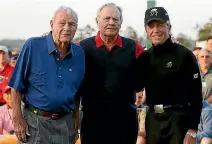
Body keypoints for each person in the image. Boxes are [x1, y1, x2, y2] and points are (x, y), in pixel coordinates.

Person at [8, 6, 85, 144]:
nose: (67, 28)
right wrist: (18, 120)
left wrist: (75, 122)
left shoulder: (79, 54)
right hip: (34, 123)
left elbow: (76, 94)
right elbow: (15, 87)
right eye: (62, 23)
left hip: (64, 124)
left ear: (76, 28)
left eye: (72, 24)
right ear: (51, 24)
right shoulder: (33, 46)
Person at [78, 3, 145, 144]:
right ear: (98, 21)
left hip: (125, 120)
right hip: (92, 120)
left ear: (121, 23)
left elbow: (146, 76)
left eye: (115, 19)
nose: (111, 22)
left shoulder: (134, 47)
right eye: (107, 18)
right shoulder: (82, 48)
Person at [136, 7, 202, 144]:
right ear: (146, 29)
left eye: (160, 25)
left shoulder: (184, 55)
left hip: (178, 120)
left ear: (169, 26)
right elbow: (136, 85)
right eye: (151, 26)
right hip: (153, 119)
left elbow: (196, 95)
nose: (155, 30)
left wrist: (192, 130)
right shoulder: (144, 57)